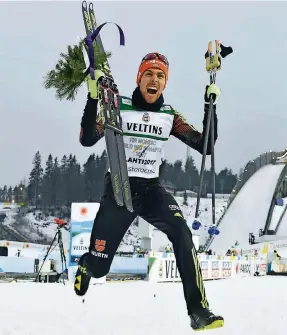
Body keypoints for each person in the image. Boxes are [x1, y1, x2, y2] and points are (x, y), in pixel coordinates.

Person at [74, 52, 224, 330]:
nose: (154, 80)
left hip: (151, 190)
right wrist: (93, 97)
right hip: (120, 190)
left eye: (160, 76)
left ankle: (198, 310)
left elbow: (206, 146)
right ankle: (87, 263)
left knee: (182, 233)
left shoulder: (170, 116)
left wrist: (210, 105)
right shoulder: (118, 105)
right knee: (100, 267)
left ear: (165, 84)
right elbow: (87, 139)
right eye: (149, 74)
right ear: (139, 78)